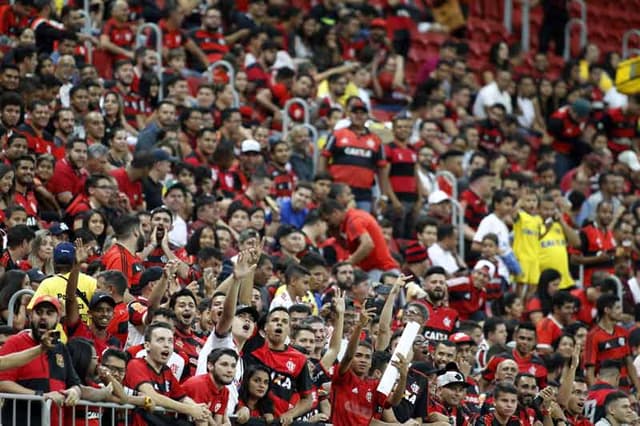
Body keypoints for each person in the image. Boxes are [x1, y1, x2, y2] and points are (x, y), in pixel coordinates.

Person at [0, 295, 82, 424]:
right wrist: (40, 396)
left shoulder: (61, 347)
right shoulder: (14, 343)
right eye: (39, 312)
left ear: (58, 319)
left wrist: (74, 391)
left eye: (49, 313)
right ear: (30, 316)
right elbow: (2, 383)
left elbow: (74, 382)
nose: (43, 317)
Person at [123, 322, 210, 426]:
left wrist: (198, 409)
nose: (166, 345)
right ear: (147, 345)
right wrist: (190, 409)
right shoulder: (136, 364)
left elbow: (182, 398)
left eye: (170, 341)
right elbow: (152, 396)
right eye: (160, 340)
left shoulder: (167, 371)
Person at [319, 199, 398, 280]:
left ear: (335, 213)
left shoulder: (354, 220)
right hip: (379, 270)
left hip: (381, 272)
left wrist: (348, 263)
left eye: (327, 220)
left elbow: (368, 245)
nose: (328, 224)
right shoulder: (352, 218)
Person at [182, 348, 237, 425]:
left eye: (233, 366)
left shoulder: (225, 391)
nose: (230, 370)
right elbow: (201, 421)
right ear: (210, 366)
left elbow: (218, 422)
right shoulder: (199, 384)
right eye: (224, 364)